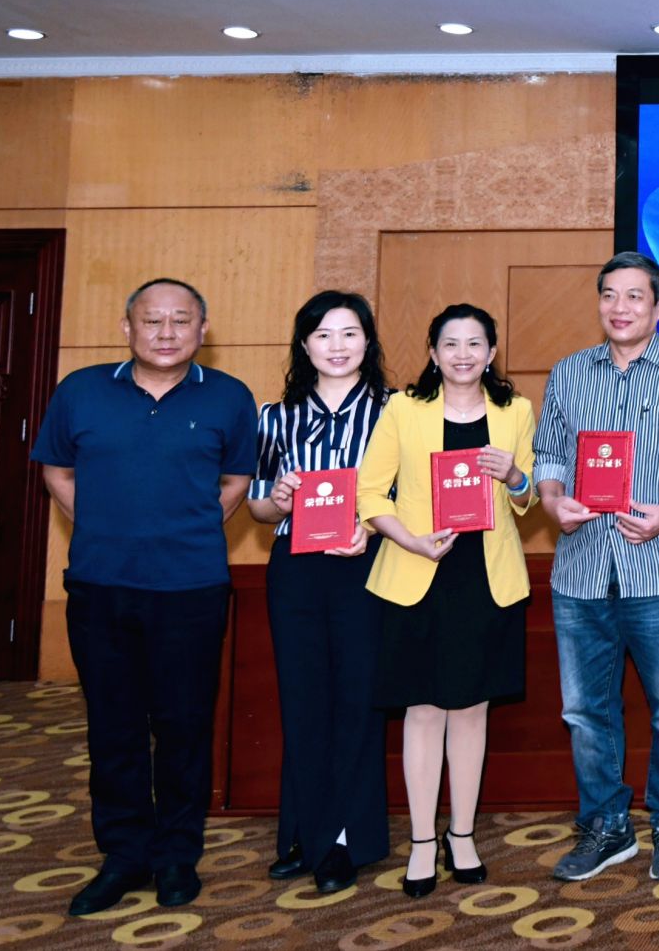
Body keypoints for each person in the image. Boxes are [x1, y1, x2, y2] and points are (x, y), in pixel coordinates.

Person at [31, 277, 257, 916]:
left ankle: (177, 855)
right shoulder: (80, 390)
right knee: (114, 726)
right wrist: (103, 524)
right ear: (126, 327)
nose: (166, 333)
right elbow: (56, 470)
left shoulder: (231, 397)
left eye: (180, 321)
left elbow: (237, 478)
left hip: (191, 588)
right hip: (100, 585)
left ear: (202, 330)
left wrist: (188, 528)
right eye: (152, 320)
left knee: (184, 725)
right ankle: (124, 854)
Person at [535, 252, 659, 883]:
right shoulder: (568, 374)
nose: (620, 307)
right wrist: (554, 502)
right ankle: (607, 825)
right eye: (609, 295)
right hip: (582, 570)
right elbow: (549, 455)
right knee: (585, 711)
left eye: (635, 296)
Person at [358, 304, 535, 897]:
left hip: (485, 580)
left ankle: (462, 835)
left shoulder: (515, 411)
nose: (463, 354)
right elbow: (369, 493)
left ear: (491, 352)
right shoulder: (404, 409)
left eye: (475, 343)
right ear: (433, 353)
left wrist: (514, 477)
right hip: (419, 573)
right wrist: (409, 539)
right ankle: (421, 842)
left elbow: (527, 498)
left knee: (471, 710)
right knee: (424, 710)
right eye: (451, 344)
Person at [247, 291, 391, 894]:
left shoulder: (394, 411)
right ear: (304, 345)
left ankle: (346, 839)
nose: (337, 346)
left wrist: (370, 527)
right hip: (296, 568)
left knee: (357, 698)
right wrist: (277, 500)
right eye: (323, 335)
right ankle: (304, 831)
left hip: (365, 564)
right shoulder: (274, 416)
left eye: (350, 333)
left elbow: (412, 496)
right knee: (303, 697)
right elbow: (256, 506)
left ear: (368, 342)